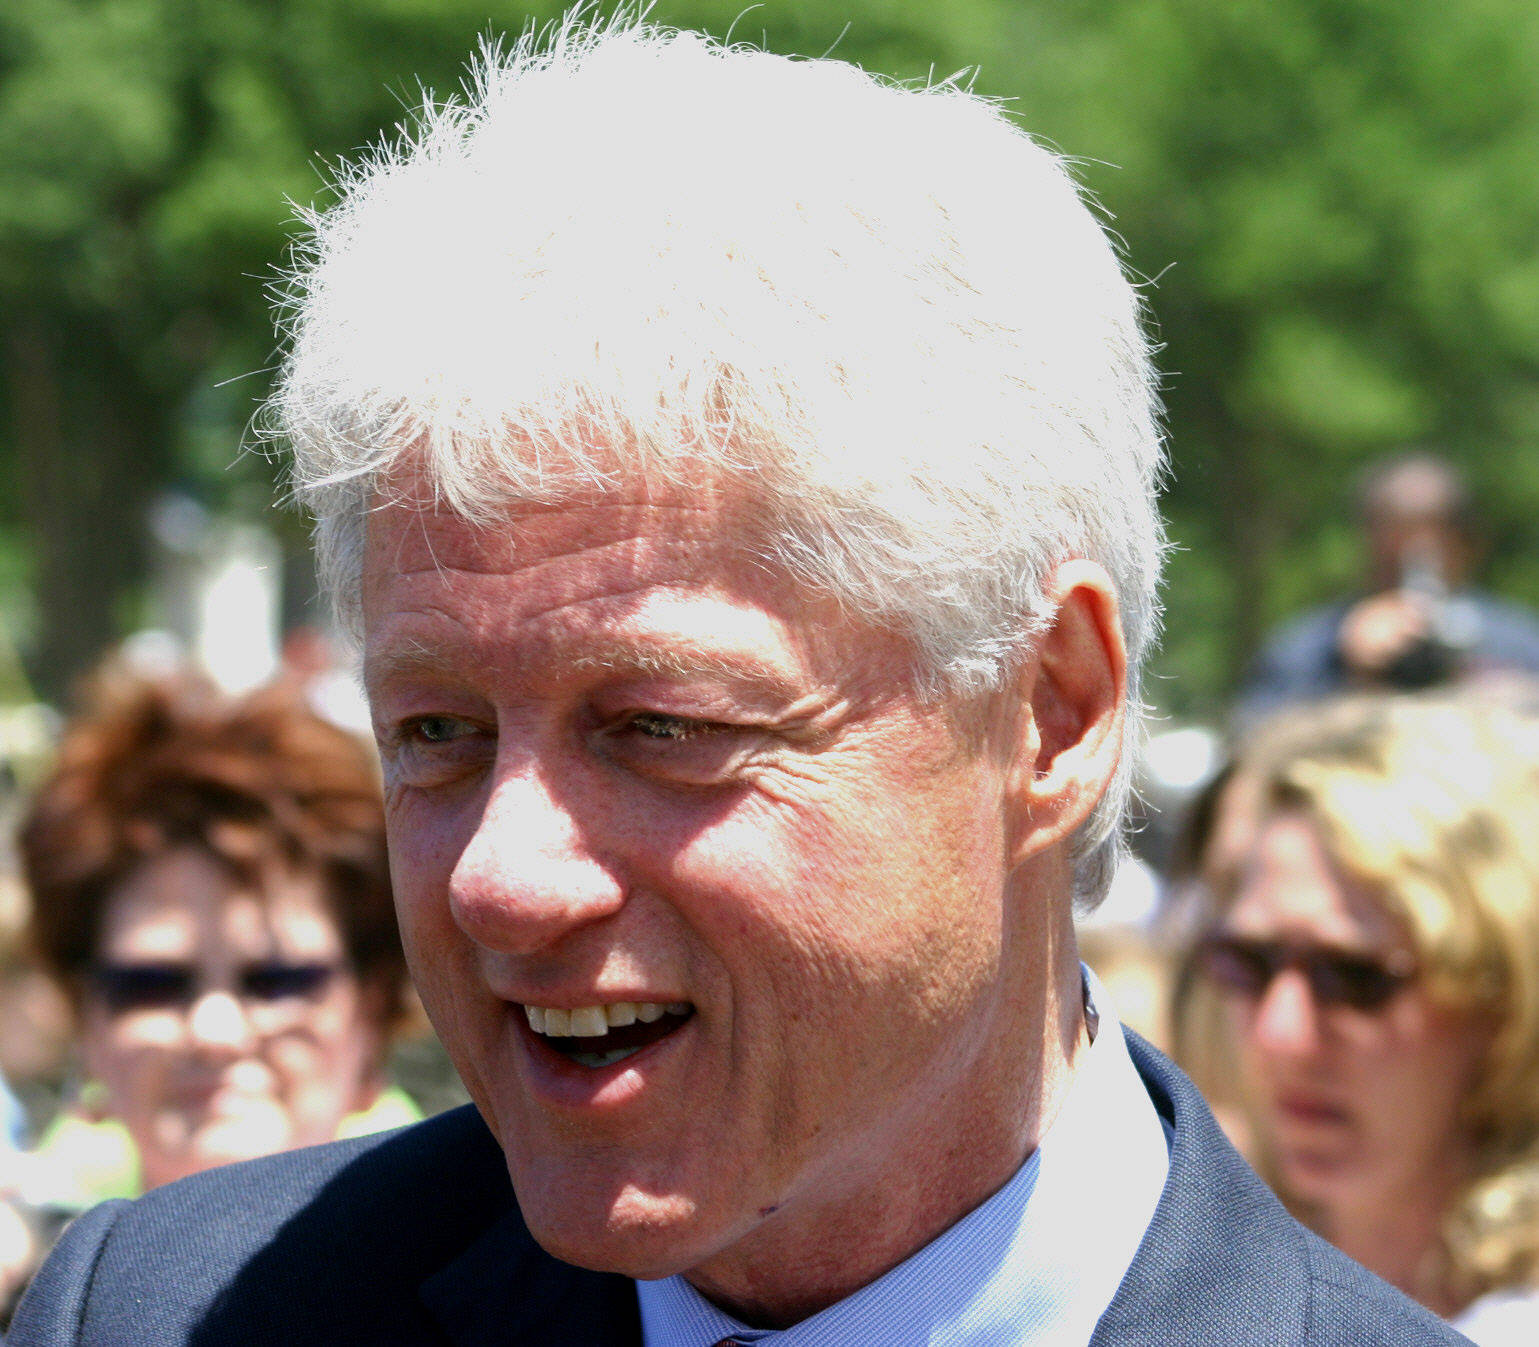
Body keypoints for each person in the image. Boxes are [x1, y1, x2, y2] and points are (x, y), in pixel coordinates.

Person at [12, 13, 1463, 1344]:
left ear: (1052, 710)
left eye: (658, 726)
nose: (499, 881)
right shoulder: (174, 1313)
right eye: (437, 731)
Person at [1186, 695, 1539, 1344]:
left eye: (1352, 977)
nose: (1279, 1034)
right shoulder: (1193, 1266)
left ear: (1502, 993)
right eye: (1247, 961)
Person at [14, 668, 416, 1206]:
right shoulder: (42, 1281)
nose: (215, 1032)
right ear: (84, 1021)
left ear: (375, 1007)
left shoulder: (502, 1275)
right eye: (151, 984)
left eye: (278, 980)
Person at [1235, 453, 1539, 727]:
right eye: (1392, 560)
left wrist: (1497, 692)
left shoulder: (1520, 644)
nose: (1413, 578)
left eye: (1427, 557)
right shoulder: (1310, 649)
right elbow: (1252, 751)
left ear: (1468, 545)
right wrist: (1349, 673)